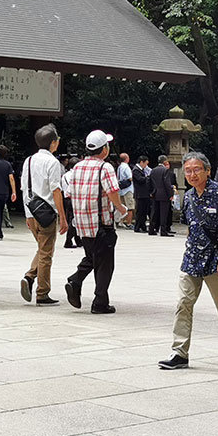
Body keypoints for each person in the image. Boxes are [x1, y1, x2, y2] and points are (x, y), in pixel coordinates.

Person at [158, 152, 218, 369]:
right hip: (191, 260)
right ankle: (179, 352)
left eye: (197, 169)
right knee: (183, 304)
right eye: (188, 170)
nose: (192, 174)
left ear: (207, 170)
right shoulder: (188, 196)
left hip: (215, 259)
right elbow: (191, 226)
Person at [65, 130, 128, 314]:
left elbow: (68, 193)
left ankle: (75, 281)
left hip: (82, 224)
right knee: (105, 264)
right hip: (102, 224)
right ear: (104, 149)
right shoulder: (104, 167)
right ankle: (100, 302)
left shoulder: (77, 168)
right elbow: (112, 191)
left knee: (92, 258)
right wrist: (121, 208)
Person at [20, 124, 68, 306]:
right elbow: (56, 191)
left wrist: (27, 214)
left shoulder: (29, 160)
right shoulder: (52, 163)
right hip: (47, 213)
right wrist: (63, 217)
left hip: (31, 212)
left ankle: (30, 277)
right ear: (53, 143)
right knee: (46, 253)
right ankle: (42, 292)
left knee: (42, 249)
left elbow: (25, 188)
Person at [0, 146, 17, 239]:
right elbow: (11, 179)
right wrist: (14, 192)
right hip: (4, 192)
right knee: (0, 211)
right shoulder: (8, 164)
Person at [149, 155, 177, 237]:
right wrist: (170, 194)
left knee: (154, 212)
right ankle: (163, 231)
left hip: (155, 193)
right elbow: (167, 183)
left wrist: (151, 191)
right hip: (164, 194)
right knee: (164, 213)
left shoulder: (153, 170)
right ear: (165, 162)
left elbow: (149, 181)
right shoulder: (165, 170)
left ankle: (151, 229)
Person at [132, 155, 151, 233]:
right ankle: (137, 226)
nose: (146, 165)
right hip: (140, 194)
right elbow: (140, 180)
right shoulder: (136, 170)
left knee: (144, 211)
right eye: (145, 163)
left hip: (144, 194)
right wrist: (148, 177)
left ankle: (142, 226)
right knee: (140, 211)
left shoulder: (141, 170)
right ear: (141, 162)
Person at [116, 152, 134, 228]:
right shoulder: (126, 167)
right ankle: (129, 223)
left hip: (121, 189)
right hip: (127, 189)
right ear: (127, 159)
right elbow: (130, 177)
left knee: (122, 206)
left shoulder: (119, 167)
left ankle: (121, 221)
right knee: (130, 207)